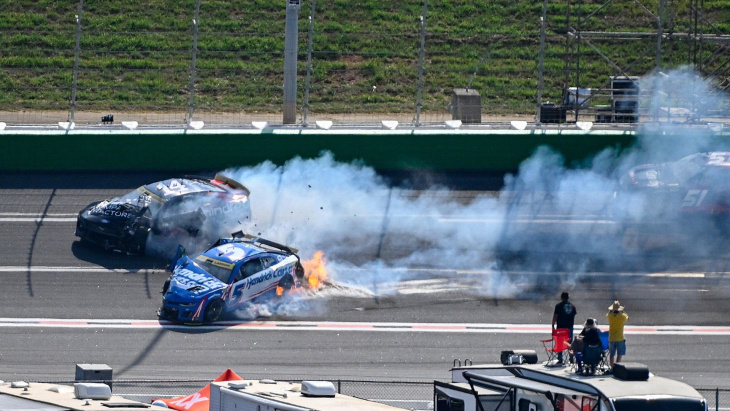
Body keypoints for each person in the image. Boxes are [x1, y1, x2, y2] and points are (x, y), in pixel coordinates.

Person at [552, 291, 577, 364]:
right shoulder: (572, 306)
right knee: (570, 343)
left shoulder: (558, 306)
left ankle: (560, 358)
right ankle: (571, 358)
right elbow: (573, 315)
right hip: (569, 328)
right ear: (568, 298)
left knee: (560, 342)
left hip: (560, 328)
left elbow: (555, 316)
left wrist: (553, 325)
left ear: (561, 297)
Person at [606, 300, 629, 368]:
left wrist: (611, 311)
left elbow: (608, 314)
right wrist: (622, 312)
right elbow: (627, 316)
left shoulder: (609, 316)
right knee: (619, 354)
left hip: (612, 337)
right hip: (620, 338)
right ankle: (617, 367)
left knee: (611, 354)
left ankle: (612, 367)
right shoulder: (622, 317)